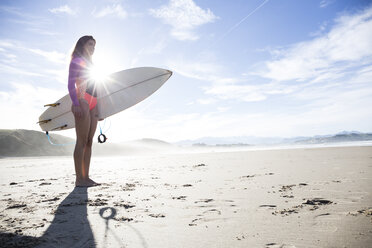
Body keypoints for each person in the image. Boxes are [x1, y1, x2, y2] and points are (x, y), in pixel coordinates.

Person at [68, 35, 100, 187]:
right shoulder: (76, 60)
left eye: (94, 46)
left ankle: (86, 177)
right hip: (83, 100)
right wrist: (75, 103)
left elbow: (97, 86)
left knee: (89, 142)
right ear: (82, 46)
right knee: (81, 141)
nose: (93, 48)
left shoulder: (92, 65)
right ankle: (79, 179)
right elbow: (70, 84)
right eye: (90, 45)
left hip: (94, 102)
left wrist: (99, 106)